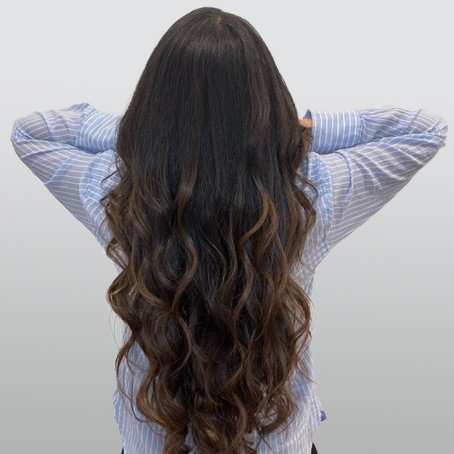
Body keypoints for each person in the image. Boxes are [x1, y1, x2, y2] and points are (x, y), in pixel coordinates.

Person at [10, 6, 448, 454]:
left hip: (157, 442)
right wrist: (302, 130)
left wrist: (146, 136)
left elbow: (29, 133)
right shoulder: (311, 192)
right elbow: (425, 131)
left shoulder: (118, 192)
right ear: (266, 99)